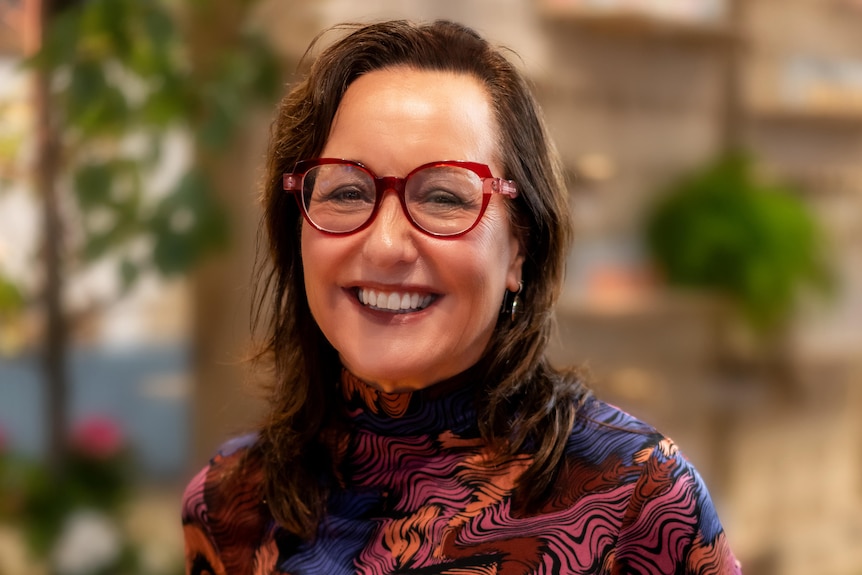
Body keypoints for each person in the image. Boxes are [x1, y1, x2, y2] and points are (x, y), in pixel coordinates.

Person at [182, 19, 741, 575]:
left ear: (519, 248)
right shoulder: (229, 502)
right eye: (347, 191)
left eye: (445, 198)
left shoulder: (636, 497)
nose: (385, 246)